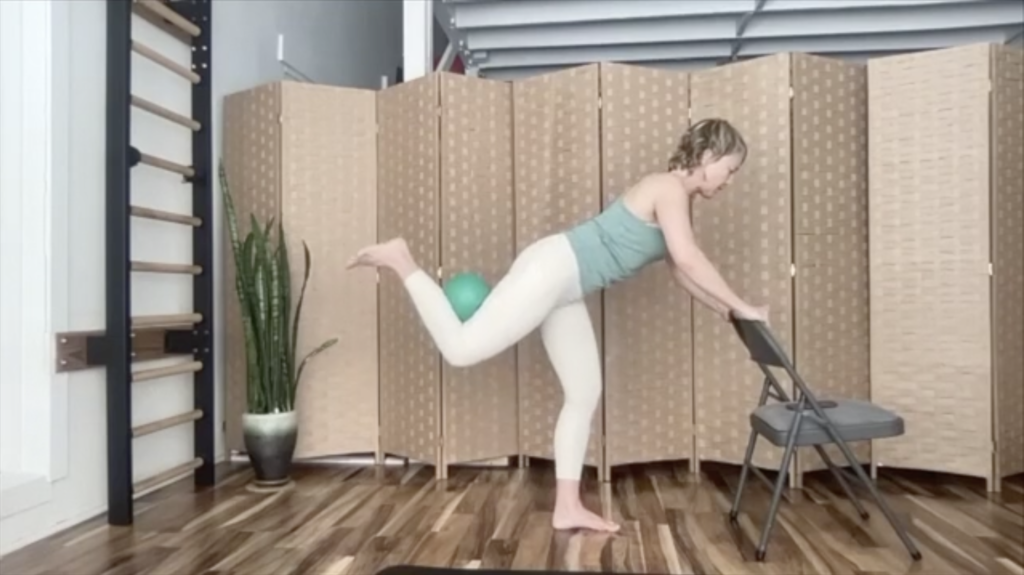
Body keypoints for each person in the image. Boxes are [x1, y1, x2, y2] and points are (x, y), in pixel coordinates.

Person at [346, 118, 769, 533]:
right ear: (709, 155)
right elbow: (691, 257)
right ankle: (402, 260)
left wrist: (723, 309)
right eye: (730, 169)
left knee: (584, 392)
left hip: (567, 287)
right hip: (553, 268)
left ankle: (567, 507)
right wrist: (742, 305)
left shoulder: (680, 200)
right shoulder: (668, 187)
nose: (729, 181)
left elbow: (679, 269)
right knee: (460, 350)